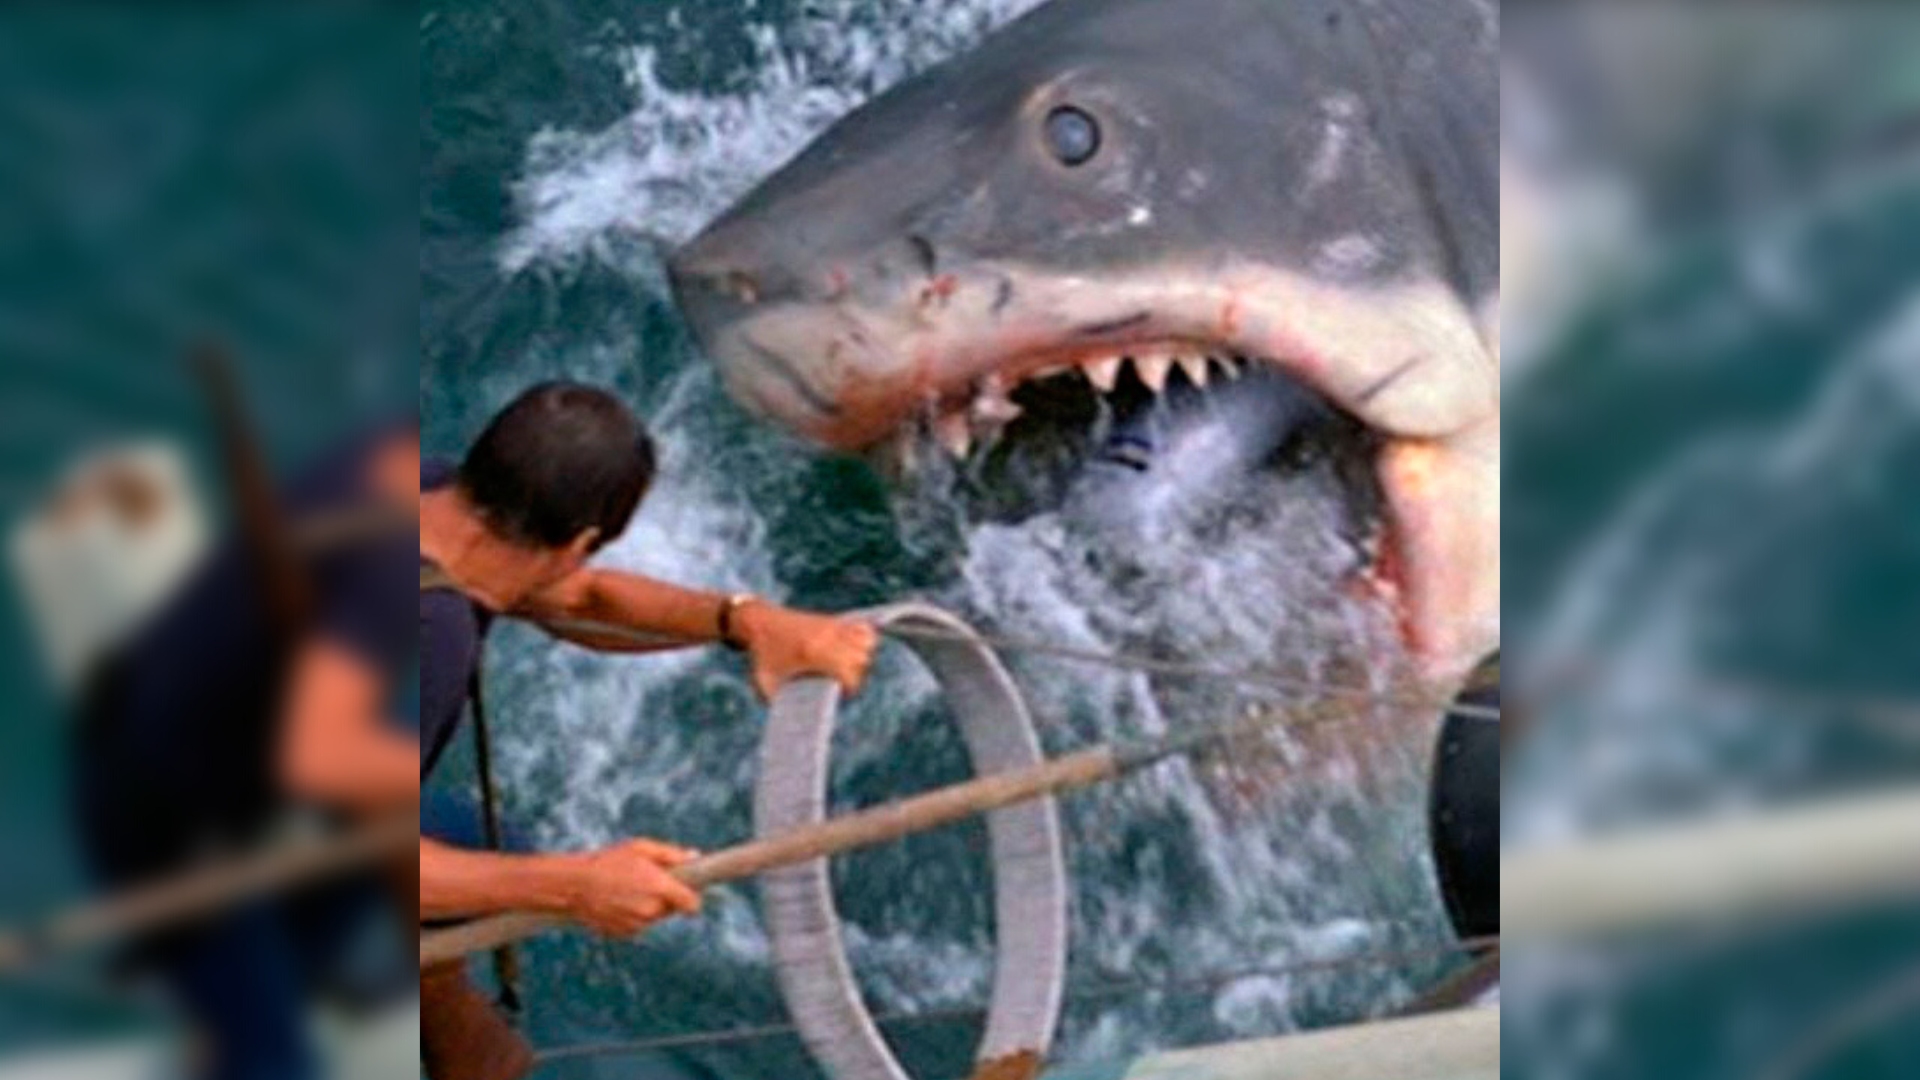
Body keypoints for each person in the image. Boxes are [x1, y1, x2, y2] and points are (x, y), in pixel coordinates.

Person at [416, 381, 878, 1080]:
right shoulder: (430, 633)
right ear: (580, 542)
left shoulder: (429, 497)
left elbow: (580, 599)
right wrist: (574, 885)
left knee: (483, 846)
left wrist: (745, 621)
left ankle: (435, 1006)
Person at [72, 418, 424, 1080]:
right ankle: (243, 1010)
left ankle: (290, 974)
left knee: (446, 814)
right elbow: (318, 757)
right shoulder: (383, 563)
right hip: (170, 822)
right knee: (275, 1065)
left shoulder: (376, 475)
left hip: (239, 777)